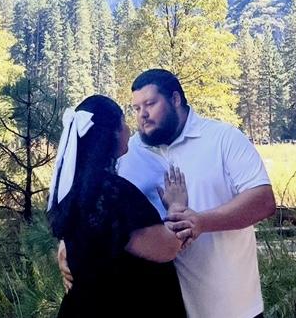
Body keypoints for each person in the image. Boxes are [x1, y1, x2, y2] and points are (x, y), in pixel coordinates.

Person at [61, 70, 276, 318]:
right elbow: (94, 201)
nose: (142, 114)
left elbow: (263, 201)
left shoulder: (223, 139)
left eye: (150, 104)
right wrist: (68, 242)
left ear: (175, 99)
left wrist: (201, 222)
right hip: (156, 306)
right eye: (136, 108)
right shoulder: (126, 153)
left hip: (227, 305)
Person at [49, 94, 187, 318]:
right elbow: (167, 248)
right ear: (111, 133)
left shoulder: (71, 188)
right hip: (123, 305)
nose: (129, 130)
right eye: (123, 123)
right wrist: (176, 206)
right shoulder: (113, 194)